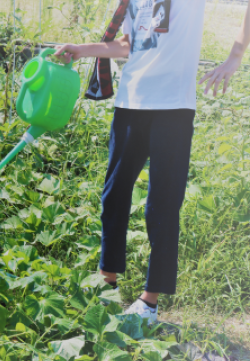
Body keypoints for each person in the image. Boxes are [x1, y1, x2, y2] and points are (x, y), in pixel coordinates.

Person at [54, 0, 250, 324]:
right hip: (130, 102)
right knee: (114, 194)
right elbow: (126, 46)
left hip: (173, 107)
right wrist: (81, 49)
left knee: (161, 203)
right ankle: (107, 285)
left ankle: (149, 303)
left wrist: (235, 58)